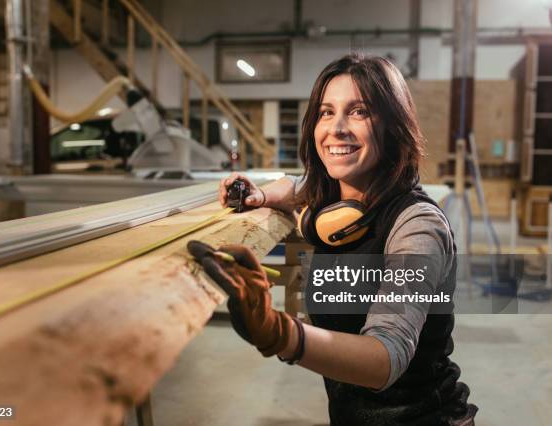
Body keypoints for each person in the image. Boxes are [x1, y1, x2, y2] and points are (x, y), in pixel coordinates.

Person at [195, 54, 477, 425]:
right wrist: (257, 195)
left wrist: (280, 334)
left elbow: (385, 357)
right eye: (326, 113)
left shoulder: (417, 225)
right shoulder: (333, 206)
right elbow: (297, 186)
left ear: (393, 126)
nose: (337, 128)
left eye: (359, 111)